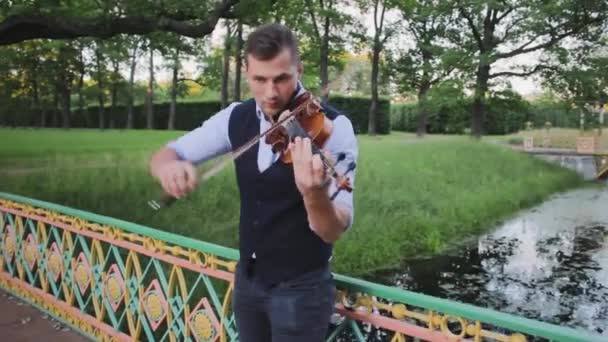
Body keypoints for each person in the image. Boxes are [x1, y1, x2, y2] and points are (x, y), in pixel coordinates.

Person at [149, 23, 358, 341]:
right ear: (245, 71)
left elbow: (332, 229)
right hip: (247, 282)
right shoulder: (235, 117)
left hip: (302, 290)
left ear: (298, 69)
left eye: (282, 78)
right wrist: (169, 168)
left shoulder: (333, 128)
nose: (270, 93)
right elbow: (167, 153)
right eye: (259, 79)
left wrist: (312, 192)